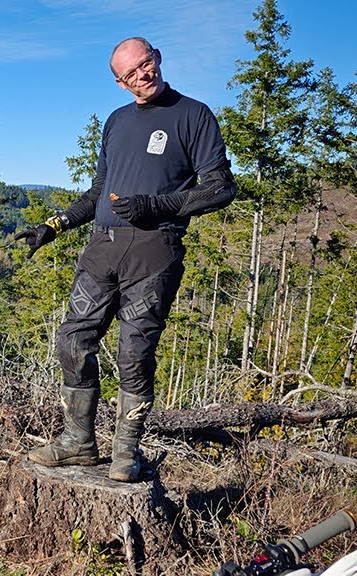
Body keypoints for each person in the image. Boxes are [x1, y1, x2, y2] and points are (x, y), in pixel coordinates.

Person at [16, 37, 237, 481]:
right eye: (131, 73)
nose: (143, 75)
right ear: (120, 82)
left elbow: (220, 188)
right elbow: (99, 191)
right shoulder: (117, 121)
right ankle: (77, 444)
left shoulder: (193, 115)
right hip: (103, 248)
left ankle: (125, 453)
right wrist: (54, 225)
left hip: (155, 252)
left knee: (134, 353)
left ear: (158, 58)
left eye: (146, 63)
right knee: (72, 340)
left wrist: (154, 206)